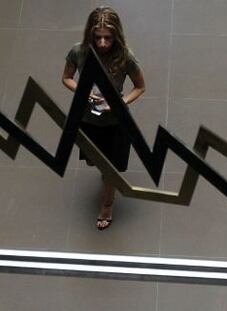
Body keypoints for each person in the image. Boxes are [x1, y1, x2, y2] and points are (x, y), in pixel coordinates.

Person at [62, 6, 145, 230]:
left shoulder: (125, 56)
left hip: (115, 123)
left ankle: (107, 204)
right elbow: (67, 78)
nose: (102, 43)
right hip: (88, 119)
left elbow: (140, 87)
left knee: (110, 168)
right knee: (96, 161)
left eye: (107, 38)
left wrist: (119, 103)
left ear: (116, 35)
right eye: (97, 37)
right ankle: (106, 178)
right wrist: (84, 92)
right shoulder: (78, 52)